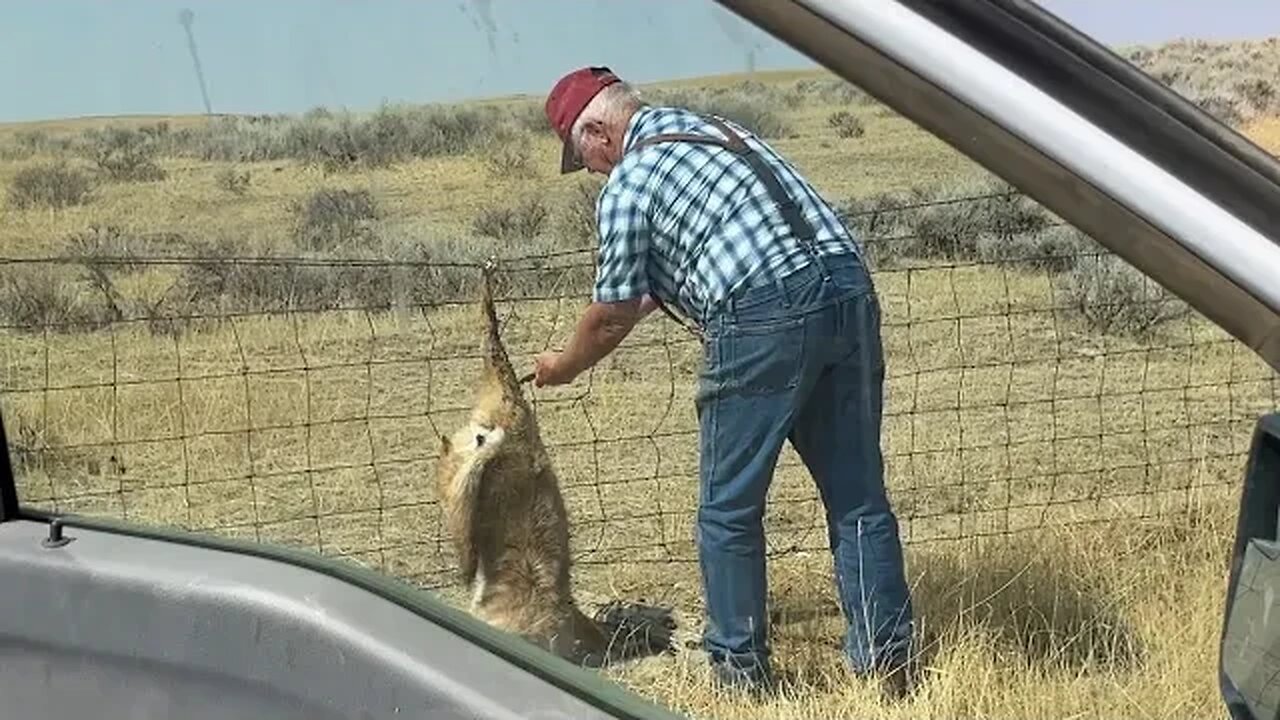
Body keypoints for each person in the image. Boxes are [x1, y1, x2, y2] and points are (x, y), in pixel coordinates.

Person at [531, 66, 916, 698]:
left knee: (727, 511)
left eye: (585, 156)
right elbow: (697, 253)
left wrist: (564, 365)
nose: (594, 170)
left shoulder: (629, 183)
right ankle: (890, 670)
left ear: (597, 130)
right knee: (857, 497)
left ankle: (741, 677)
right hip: (848, 291)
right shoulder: (713, 131)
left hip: (763, 313)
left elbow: (611, 315)